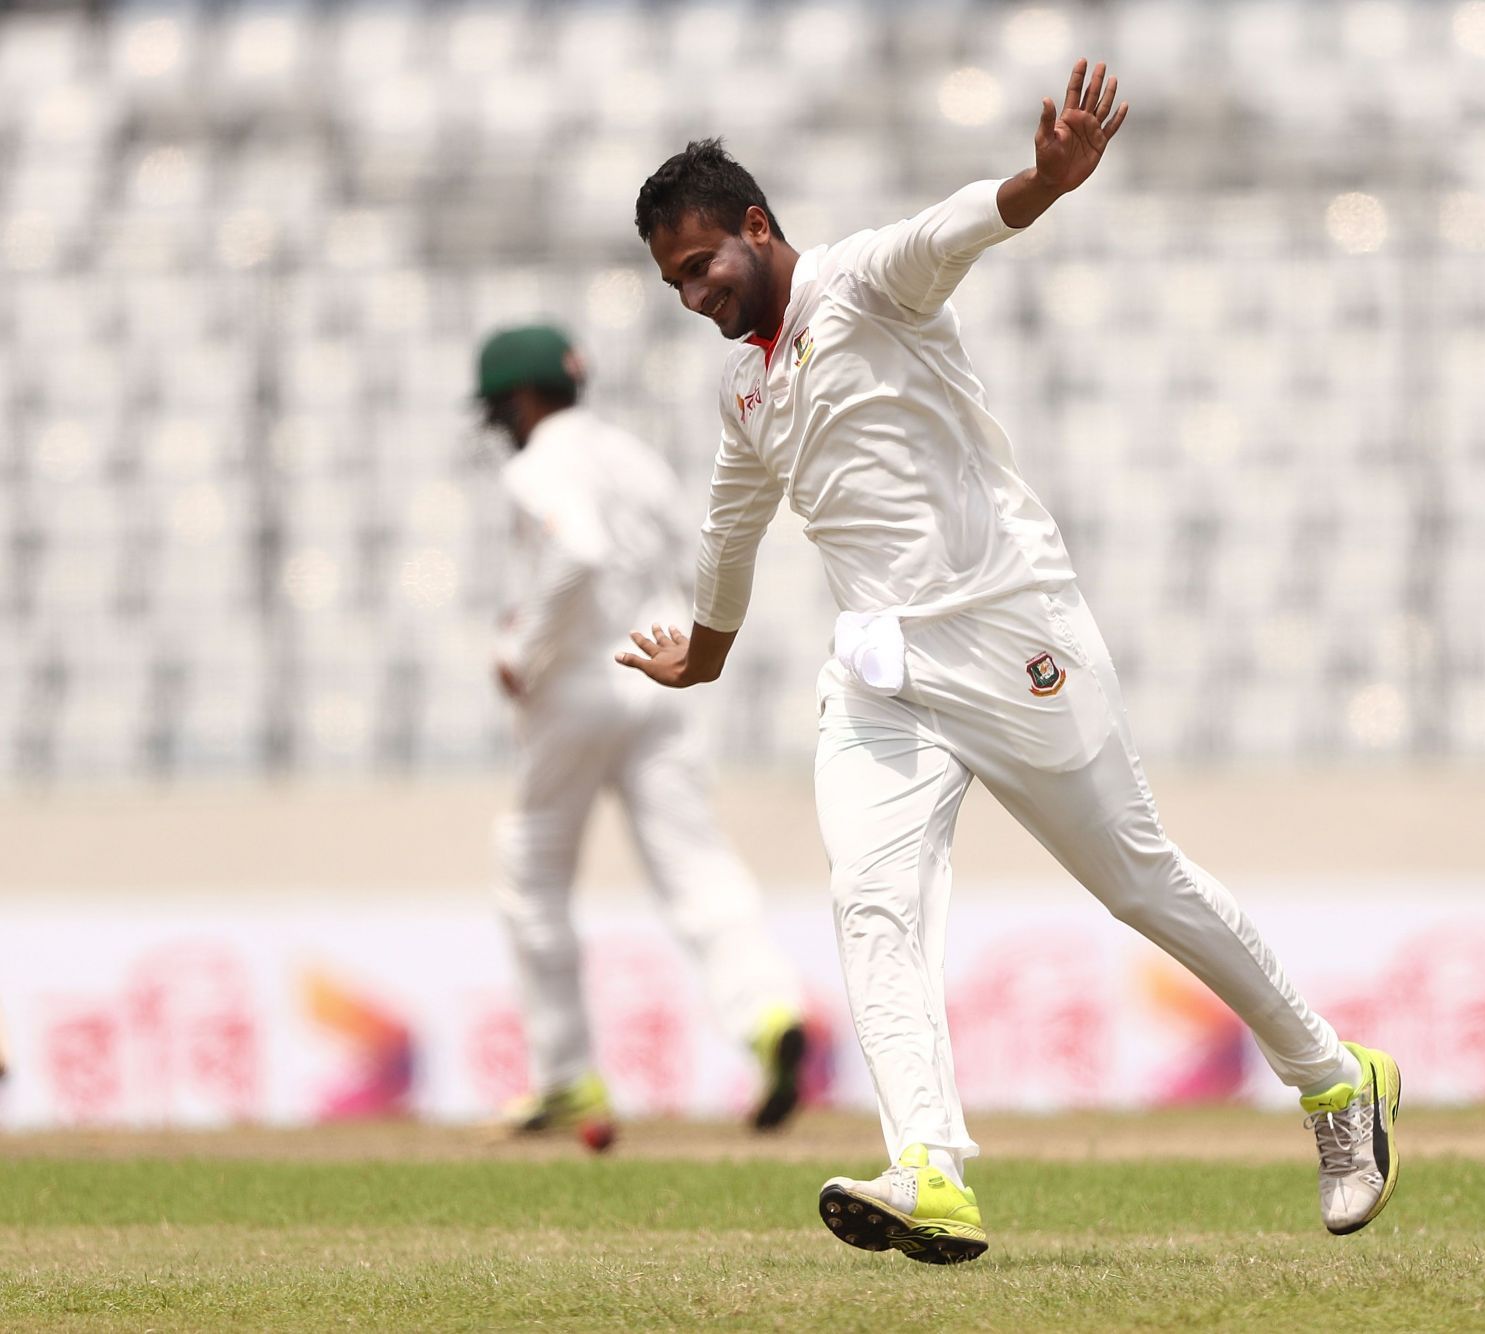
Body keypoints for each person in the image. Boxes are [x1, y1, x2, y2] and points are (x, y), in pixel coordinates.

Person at [619, 61, 1399, 1259]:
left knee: (1141, 880)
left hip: (1010, 634)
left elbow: (952, 230)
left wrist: (1040, 181)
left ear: (758, 228)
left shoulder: (867, 282)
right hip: (883, 680)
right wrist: (706, 658)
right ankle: (929, 1167)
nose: (691, 294)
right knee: (870, 900)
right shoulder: (745, 389)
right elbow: (732, 526)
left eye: (700, 264)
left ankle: (1337, 1080)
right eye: (673, 280)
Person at [476, 324, 810, 1148]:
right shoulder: (629, 454)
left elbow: (579, 551)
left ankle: (566, 1080)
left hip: (580, 686)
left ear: (518, 402)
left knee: (532, 873)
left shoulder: (535, 465)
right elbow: (692, 543)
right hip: (662, 675)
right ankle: (767, 1013)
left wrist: (524, 649)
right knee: (695, 867)